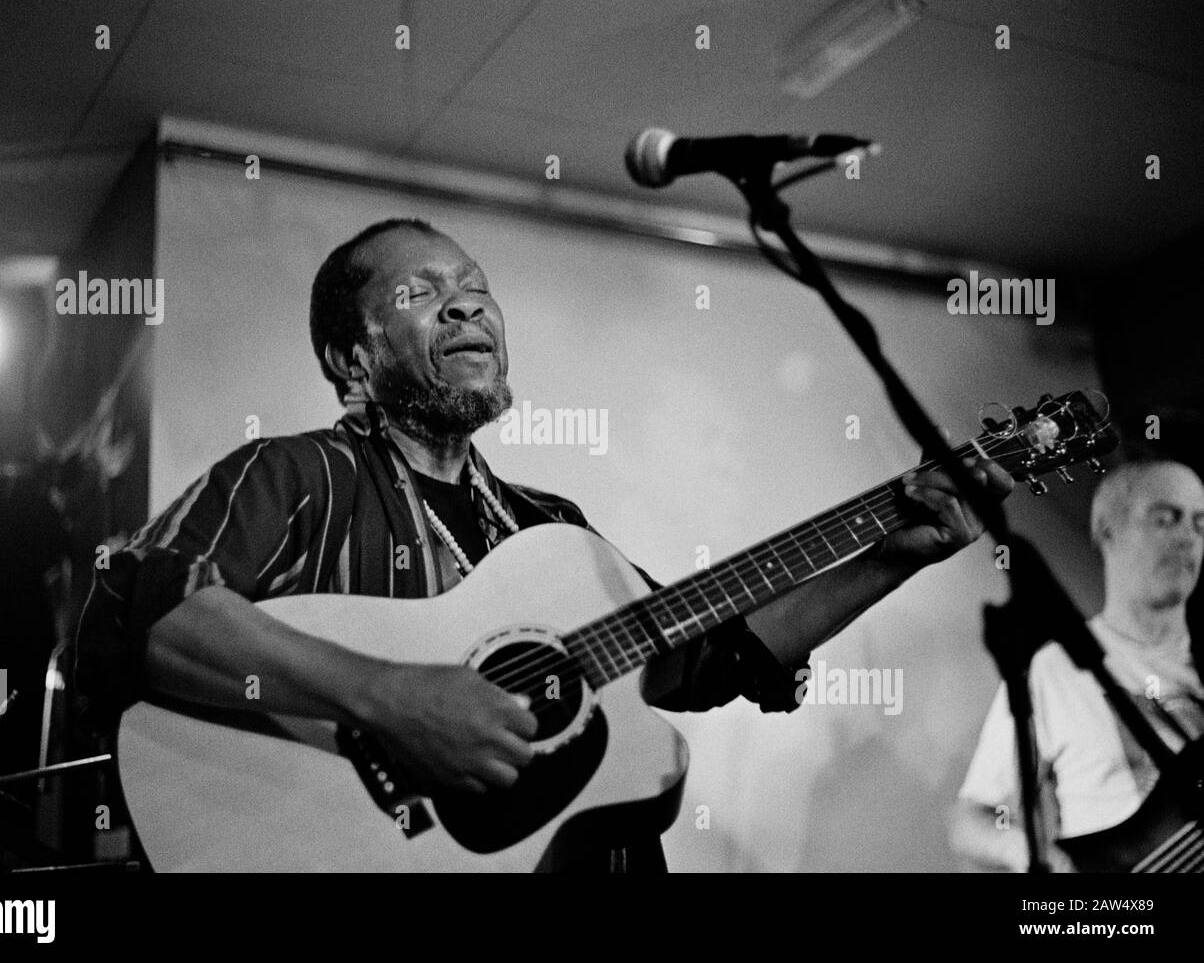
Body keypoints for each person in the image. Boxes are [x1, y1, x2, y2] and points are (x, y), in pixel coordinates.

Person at [77, 217, 1011, 871]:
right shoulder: (290, 475)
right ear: (351, 361)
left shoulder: (552, 531)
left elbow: (708, 656)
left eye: (476, 289)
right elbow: (142, 617)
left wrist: (896, 549)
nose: (464, 308)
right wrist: (387, 698)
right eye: (421, 292)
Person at [952, 459, 1204, 872]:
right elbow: (971, 819)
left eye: (1199, 524)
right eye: (1165, 519)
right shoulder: (1054, 670)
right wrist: (1037, 858)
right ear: (1107, 530)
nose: (1187, 539)